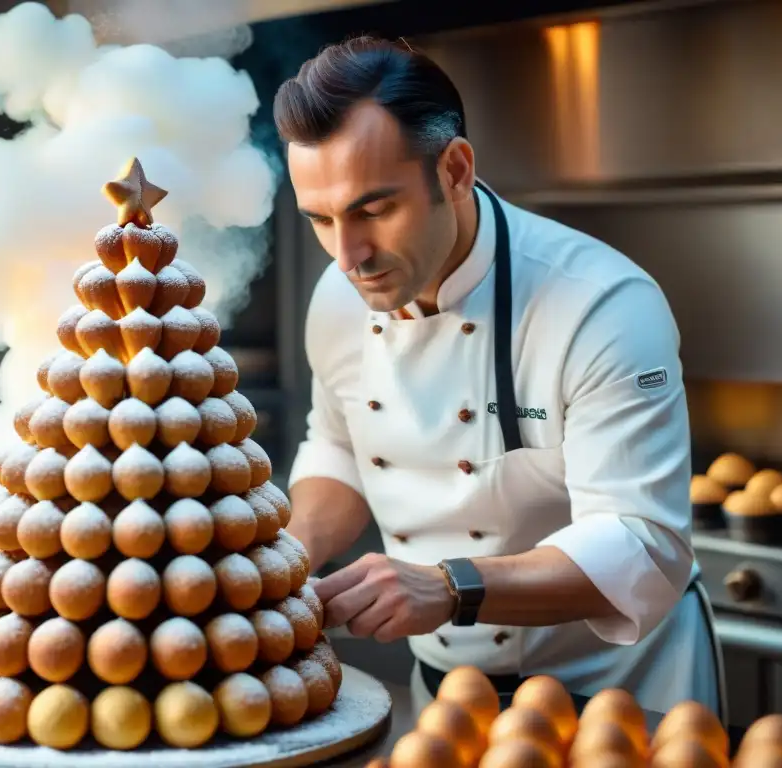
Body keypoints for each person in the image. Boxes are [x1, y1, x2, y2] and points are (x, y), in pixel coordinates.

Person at [272, 35, 724, 719]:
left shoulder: (600, 306)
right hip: (450, 697)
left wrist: (449, 586)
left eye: (373, 210)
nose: (348, 256)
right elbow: (340, 446)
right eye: (321, 220)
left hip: (622, 692)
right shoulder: (338, 300)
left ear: (454, 170)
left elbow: (643, 547)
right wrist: (293, 553)